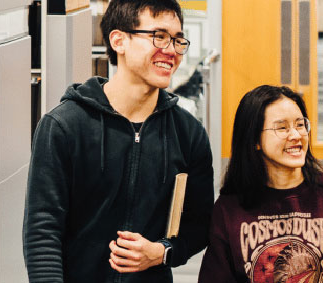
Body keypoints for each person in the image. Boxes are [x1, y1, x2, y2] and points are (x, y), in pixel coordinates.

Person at [22, 0, 214, 282]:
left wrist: (162, 252)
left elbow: (200, 225)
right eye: (159, 36)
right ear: (118, 40)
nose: (171, 50)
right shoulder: (64, 126)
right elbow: (42, 232)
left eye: (177, 40)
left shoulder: (189, 133)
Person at [198, 85, 323, 283]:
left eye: (300, 125)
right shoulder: (229, 208)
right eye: (282, 128)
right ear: (254, 138)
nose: (296, 135)